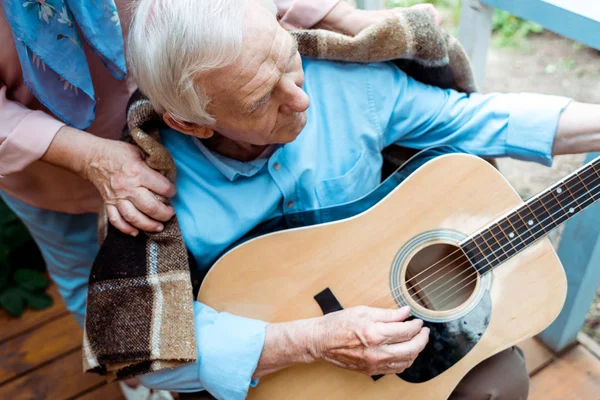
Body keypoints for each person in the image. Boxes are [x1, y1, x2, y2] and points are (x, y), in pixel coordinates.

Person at [125, 0, 600, 399]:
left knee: (501, 383)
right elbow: (150, 353)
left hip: (402, 341)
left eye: (287, 57)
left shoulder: (344, 83)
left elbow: (481, 120)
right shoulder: (148, 186)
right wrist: (311, 342)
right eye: (258, 102)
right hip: (274, 380)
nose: (301, 98)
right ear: (189, 123)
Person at [0, 1, 440, 399]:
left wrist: (339, 16)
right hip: (45, 163)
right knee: (90, 279)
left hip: (195, 115)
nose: (302, 99)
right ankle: (137, 382)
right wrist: (89, 157)